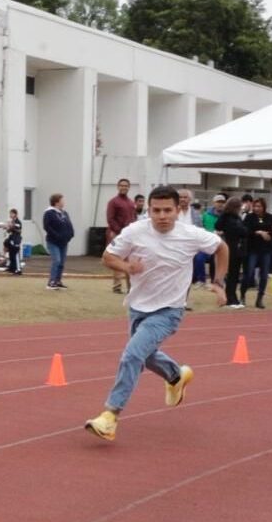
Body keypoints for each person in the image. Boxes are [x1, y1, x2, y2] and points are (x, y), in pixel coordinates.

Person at [84, 185, 228, 442]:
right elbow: (108, 257)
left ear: (178, 210)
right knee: (146, 355)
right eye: (156, 210)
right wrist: (127, 266)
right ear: (148, 210)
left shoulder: (191, 234)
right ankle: (175, 375)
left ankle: (110, 416)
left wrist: (218, 282)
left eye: (167, 210)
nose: (162, 216)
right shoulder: (135, 231)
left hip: (169, 310)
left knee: (132, 355)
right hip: (138, 307)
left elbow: (221, 247)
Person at [241, 198, 272, 309]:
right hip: (252, 249)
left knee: (264, 275)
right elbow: (245, 230)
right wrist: (258, 232)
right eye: (255, 206)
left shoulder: (269, 217)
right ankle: (242, 296)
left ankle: (260, 299)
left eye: (259, 206)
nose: (257, 208)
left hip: (266, 250)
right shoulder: (249, 217)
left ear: (264, 207)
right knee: (248, 274)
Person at [214, 198, 248, 309]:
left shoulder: (237, 217)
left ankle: (232, 296)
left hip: (238, 248)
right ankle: (230, 297)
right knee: (232, 274)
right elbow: (218, 226)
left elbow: (244, 231)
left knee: (234, 275)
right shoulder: (227, 217)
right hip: (231, 247)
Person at [106, 178, 136, 294]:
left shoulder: (131, 202)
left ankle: (130, 287)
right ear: (118, 187)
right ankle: (117, 286)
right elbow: (110, 219)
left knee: (129, 259)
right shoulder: (113, 202)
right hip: (116, 234)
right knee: (116, 258)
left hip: (129, 235)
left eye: (126, 186)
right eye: (122, 185)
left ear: (129, 187)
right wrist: (120, 231)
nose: (124, 187)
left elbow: (133, 218)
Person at [42, 193, 74, 290]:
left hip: (64, 242)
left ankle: (58, 281)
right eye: (62, 200)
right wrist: (57, 236)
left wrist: (71, 234)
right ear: (56, 202)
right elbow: (47, 226)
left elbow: (69, 225)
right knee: (57, 260)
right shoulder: (49, 213)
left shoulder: (64, 213)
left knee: (62, 262)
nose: (64, 202)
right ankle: (51, 282)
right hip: (53, 241)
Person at [4, 208, 23, 275]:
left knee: (16, 254)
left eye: (12, 213)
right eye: (10, 213)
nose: (10, 215)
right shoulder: (12, 221)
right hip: (11, 239)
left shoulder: (18, 222)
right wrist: (7, 228)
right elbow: (8, 231)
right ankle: (12, 268)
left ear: (15, 214)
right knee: (11, 254)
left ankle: (18, 269)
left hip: (16, 239)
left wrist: (12, 227)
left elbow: (19, 230)